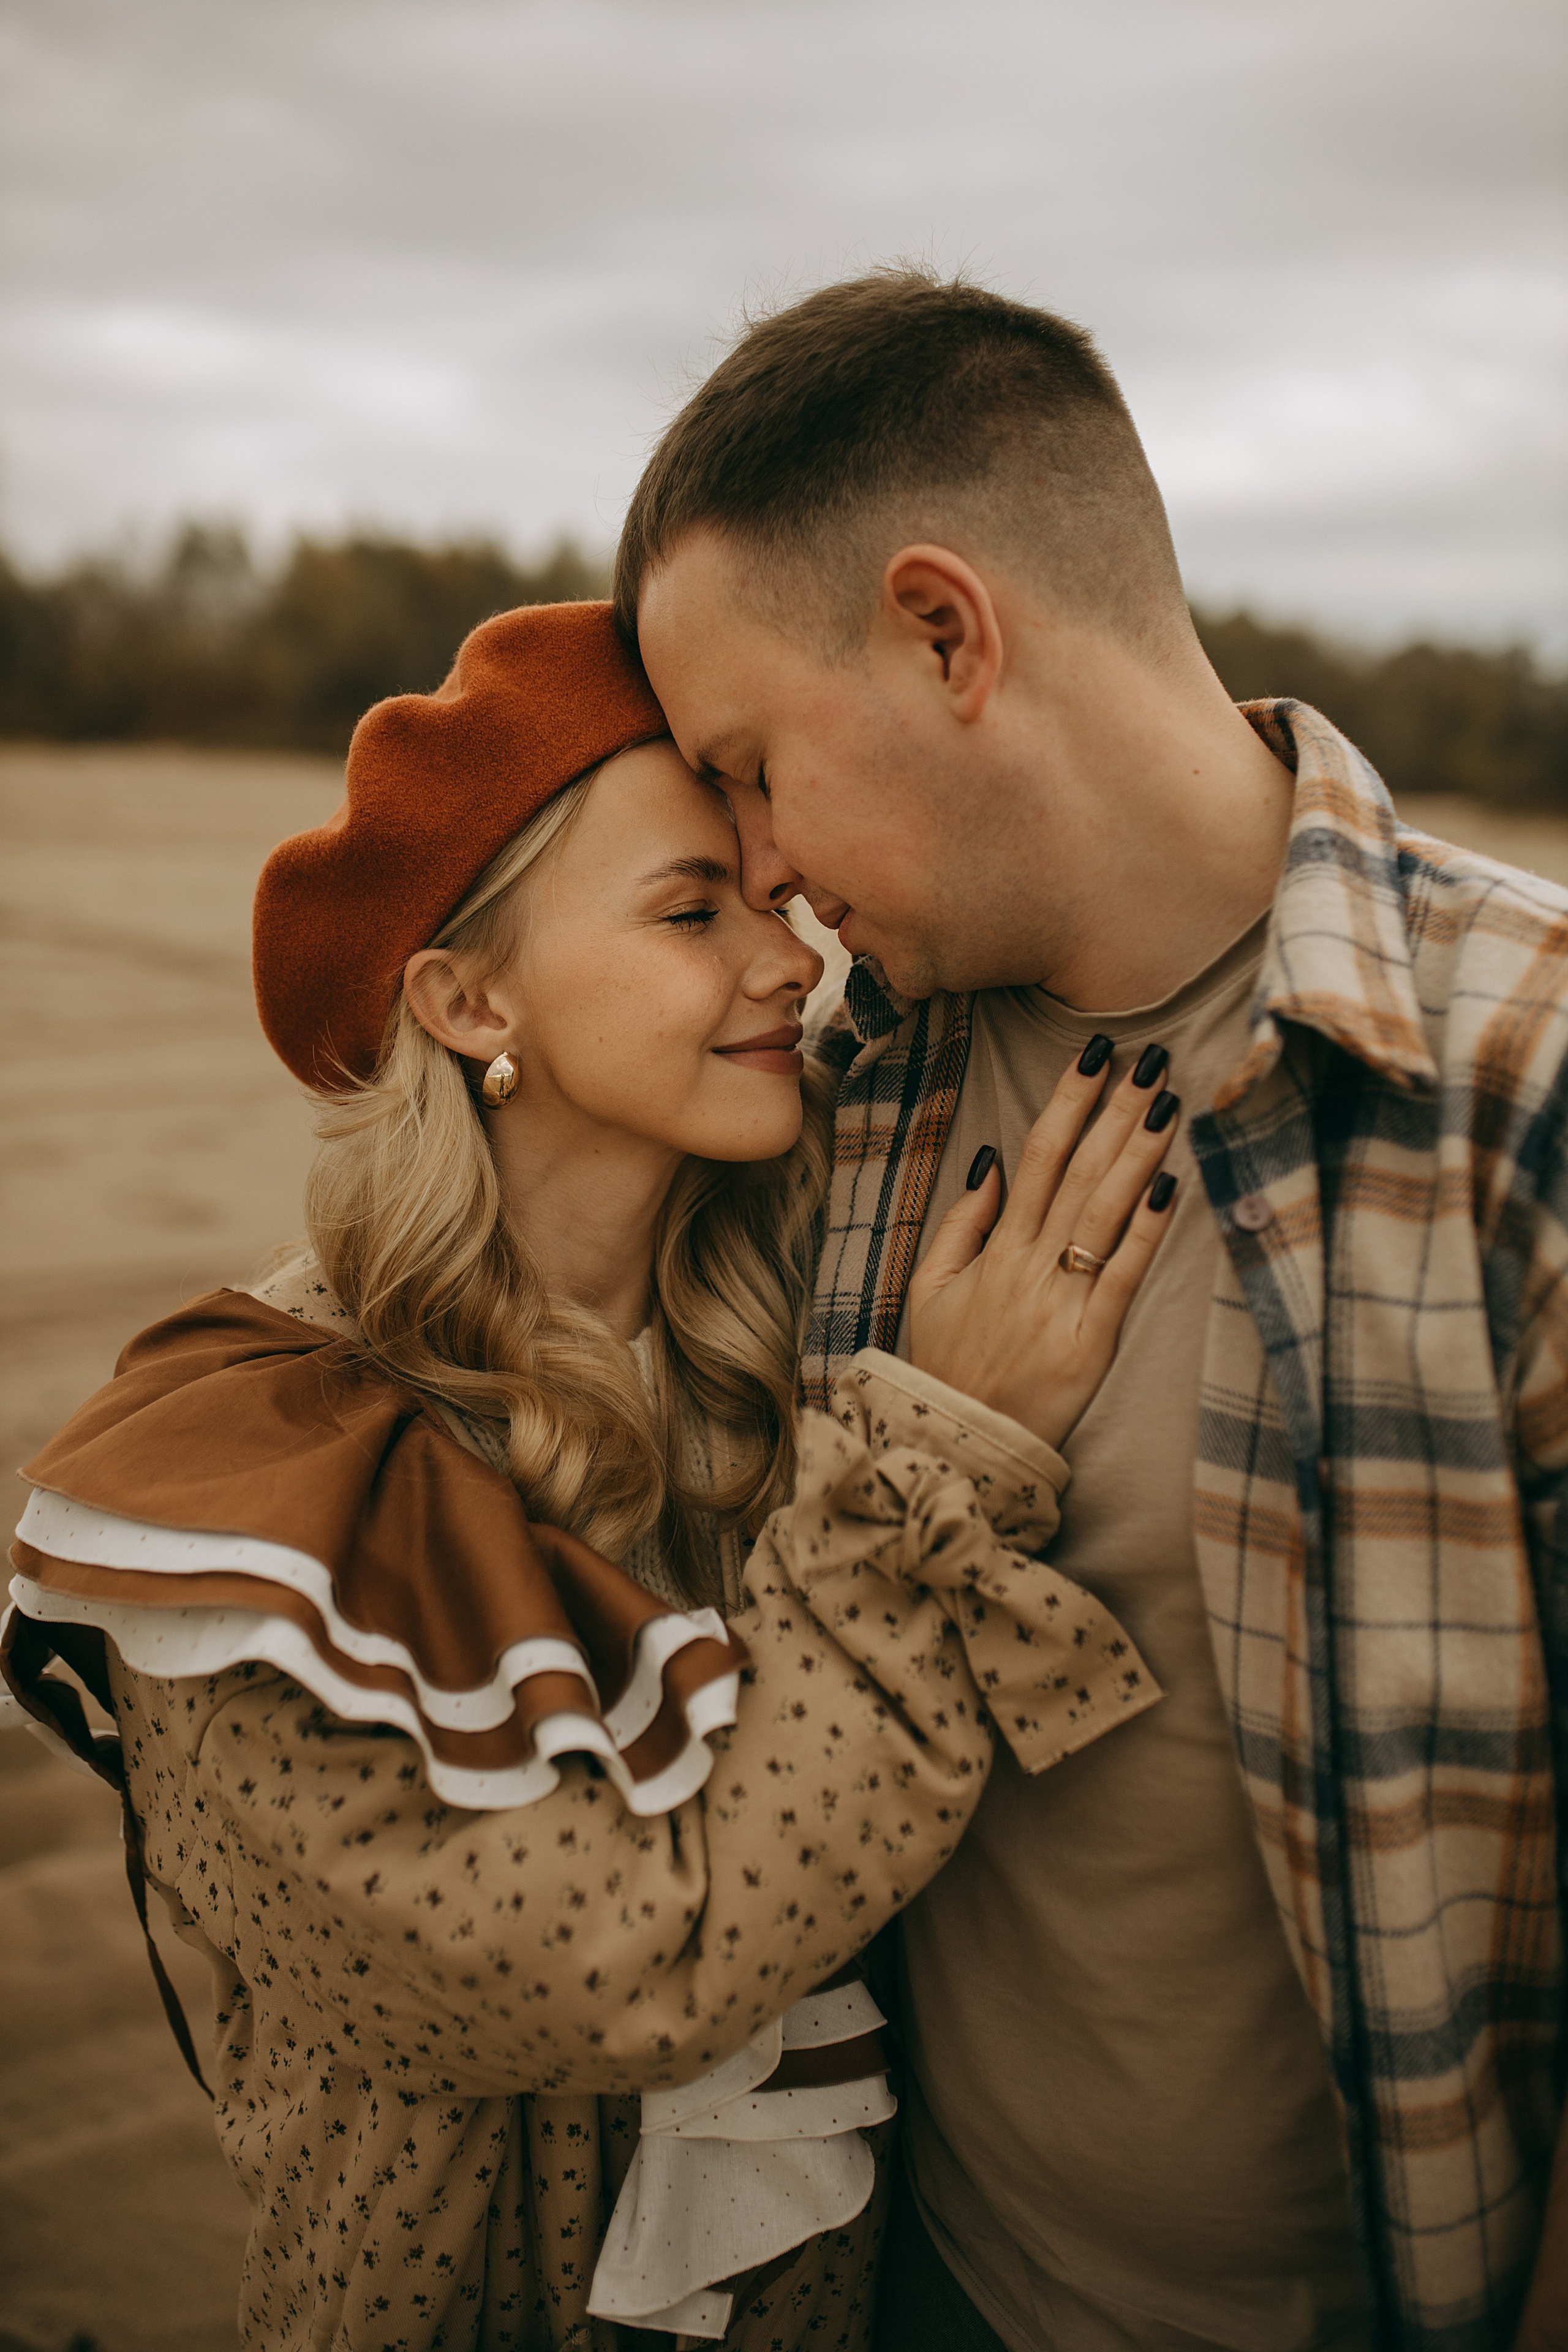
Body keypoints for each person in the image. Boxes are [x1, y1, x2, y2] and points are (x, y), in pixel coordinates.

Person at [2, 598, 1182, 2351]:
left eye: (776, 901)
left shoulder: (808, 1326)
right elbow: (615, 1967)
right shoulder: (263, 1466)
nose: (792, 964)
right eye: (692, 912)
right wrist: (935, 1453)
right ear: (471, 998)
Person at [614, 268, 1568, 2352]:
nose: (759, 868)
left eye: (752, 768)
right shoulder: (843, 1087)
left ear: (946, 634)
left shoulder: (1529, 1082)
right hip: (914, 2274)